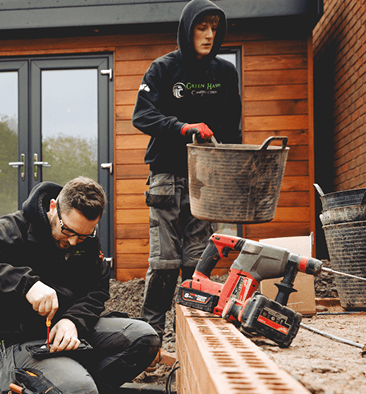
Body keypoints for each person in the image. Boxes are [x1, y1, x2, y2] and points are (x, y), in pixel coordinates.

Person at [0, 176, 159, 394]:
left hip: (67, 335)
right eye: (68, 231)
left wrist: (73, 321)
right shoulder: (13, 229)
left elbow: (98, 289)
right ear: (53, 207)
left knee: (144, 338)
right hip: (15, 342)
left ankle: (68, 384)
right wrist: (26, 285)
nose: (74, 242)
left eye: (83, 236)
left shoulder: (86, 238)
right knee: (79, 388)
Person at [131, 0, 242, 358]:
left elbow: (232, 130)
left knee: (197, 264)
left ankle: (194, 345)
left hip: (206, 181)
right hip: (166, 177)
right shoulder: (163, 69)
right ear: (187, 29)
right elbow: (142, 116)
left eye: (214, 28)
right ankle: (148, 345)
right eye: (201, 27)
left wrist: (232, 173)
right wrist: (182, 128)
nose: (209, 35)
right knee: (164, 264)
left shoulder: (225, 74)